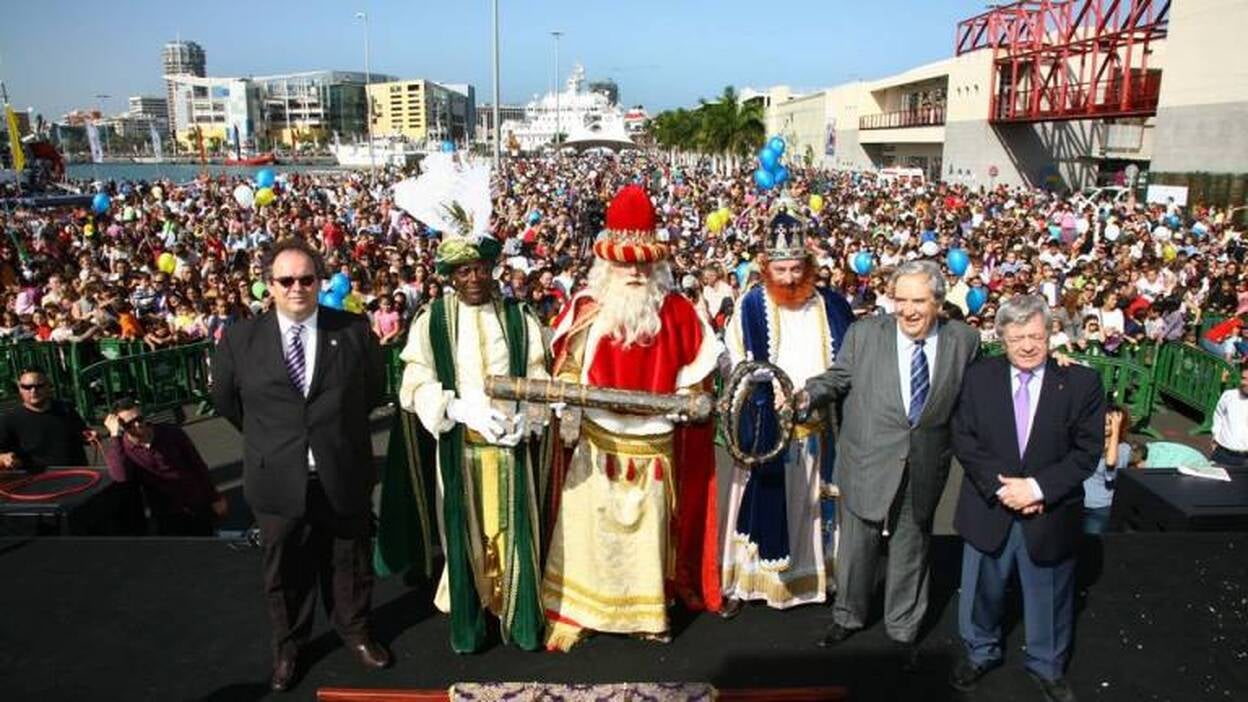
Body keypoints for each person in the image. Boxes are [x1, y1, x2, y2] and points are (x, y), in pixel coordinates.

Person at [541, 184, 721, 651]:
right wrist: (568, 398)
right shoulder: (587, 307)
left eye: (644, 264)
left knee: (646, 538)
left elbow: (698, 373)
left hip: (652, 447)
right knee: (589, 533)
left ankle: (646, 615)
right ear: (608, 265)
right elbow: (567, 365)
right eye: (627, 264)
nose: (637, 273)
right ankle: (580, 612)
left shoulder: (679, 311)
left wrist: (687, 397)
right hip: (598, 442)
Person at [211, 237, 389, 693]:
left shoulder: (353, 330)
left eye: (307, 279)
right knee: (284, 571)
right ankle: (288, 647)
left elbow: (372, 391)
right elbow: (227, 402)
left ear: (320, 282)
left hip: (341, 470)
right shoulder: (239, 339)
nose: (297, 288)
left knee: (350, 561)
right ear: (269, 285)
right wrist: (274, 440)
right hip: (276, 476)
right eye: (286, 280)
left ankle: (355, 632)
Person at [796, 260, 981, 669]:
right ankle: (848, 615)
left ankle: (903, 629)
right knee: (856, 547)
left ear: (938, 302)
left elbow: (981, 389)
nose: (908, 310)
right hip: (867, 457)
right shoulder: (864, 334)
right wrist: (806, 395)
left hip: (925, 462)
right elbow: (837, 378)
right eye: (901, 300)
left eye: (919, 301)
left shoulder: (965, 341)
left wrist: (1051, 362)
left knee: (911, 546)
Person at [379, 234, 548, 653]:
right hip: (461, 447)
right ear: (450, 276)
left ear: (493, 270)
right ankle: (471, 619)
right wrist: (456, 409)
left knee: (515, 534)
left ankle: (517, 615)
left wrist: (529, 418)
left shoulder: (519, 316)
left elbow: (538, 375)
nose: (474, 278)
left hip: (511, 448)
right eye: (463, 270)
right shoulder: (433, 319)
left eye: (481, 269)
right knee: (466, 535)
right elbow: (414, 382)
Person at [949, 294, 1105, 702]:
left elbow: (1087, 451)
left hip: (1049, 511)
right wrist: (1005, 489)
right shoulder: (978, 377)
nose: (1027, 346)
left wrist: (1036, 489)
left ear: (1050, 334)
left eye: (1035, 336)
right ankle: (979, 653)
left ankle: (1047, 665)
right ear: (1001, 337)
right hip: (989, 506)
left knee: (1049, 595)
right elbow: (964, 438)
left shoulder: (1081, 382)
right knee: (981, 592)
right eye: (1017, 337)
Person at [720, 210, 854, 616]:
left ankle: (816, 578)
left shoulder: (833, 305)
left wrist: (814, 395)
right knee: (764, 498)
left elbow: (848, 363)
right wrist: (764, 385)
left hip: (820, 425)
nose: (790, 278)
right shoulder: (750, 306)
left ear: (808, 265)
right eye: (781, 270)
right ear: (766, 267)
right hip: (767, 424)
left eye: (797, 268)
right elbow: (734, 360)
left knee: (815, 505)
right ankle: (752, 583)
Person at [102, 397, 226, 536]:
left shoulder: (170, 433)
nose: (137, 425)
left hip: (196, 503)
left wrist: (215, 497)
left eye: (139, 419)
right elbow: (120, 476)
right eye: (129, 424)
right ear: (121, 427)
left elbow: (197, 465)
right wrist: (114, 436)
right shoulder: (123, 449)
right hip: (165, 514)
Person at [0, 368, 95, 472]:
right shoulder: (9, 419)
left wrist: (90, 436)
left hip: (79, 475)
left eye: (39, 386)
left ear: (48, 386)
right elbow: (2, 454)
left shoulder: (66, 409)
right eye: (27, 387)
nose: (33, 391)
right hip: (39, 479)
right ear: (20, 389)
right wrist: (4, 458)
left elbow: (83, 433)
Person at [1083, 405, 1130, 534]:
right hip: (1077, 503)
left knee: (1090, 542)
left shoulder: (1123, 449)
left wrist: (1115, 431)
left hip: (1099, 508)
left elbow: (1110, 469)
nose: (1104, 426)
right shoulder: (1090, 442)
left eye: (1109, 423)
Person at [1210, 364, 1248, 468]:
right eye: (1244, 378)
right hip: (1224, 455)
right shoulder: (1229, 395)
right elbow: (1218, 415)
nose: (1245, 382)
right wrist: (1215, 436)